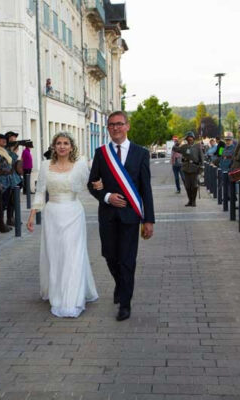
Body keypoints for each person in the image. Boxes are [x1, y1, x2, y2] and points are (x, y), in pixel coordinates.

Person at [87, 110, 155, 321]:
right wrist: (106, 196)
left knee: (127, 260)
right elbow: (92, 184)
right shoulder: (101, 153)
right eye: (111, 125)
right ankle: (120, 284)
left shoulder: (140, 153)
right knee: (109, 256)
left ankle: (125, 303)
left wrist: (148, 220)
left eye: (119, 124)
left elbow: (146, 189)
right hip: (107, 215)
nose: (115, 128)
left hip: (130, 216)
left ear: (127, 126)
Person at [26, 132, 98, 318]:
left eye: (66, 143)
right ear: (54, 146)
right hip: (52, 214)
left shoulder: (80, 166)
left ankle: (72, 299)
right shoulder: (45, 166)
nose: (62, 146)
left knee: (72, 254)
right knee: (56, 254)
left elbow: (91, 184)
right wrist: (33, 214)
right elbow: (41, 191)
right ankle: (56, 292)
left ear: (71, 147)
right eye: (59, 143)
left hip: (73, 212)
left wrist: (102, 187)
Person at [175, 131, 204, 207]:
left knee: (194, 186)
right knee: (187, 186)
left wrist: (202, 167)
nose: (189, 139)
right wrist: (178, 142)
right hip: (186, 168)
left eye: (191, 138)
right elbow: (175, 149)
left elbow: (202, 157)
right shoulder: (184, 147)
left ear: (193, 138)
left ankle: (194, 201)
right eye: (188, 138)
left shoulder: (198, 146)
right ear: (186, 139)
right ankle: (190, 200)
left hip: (195, 168)